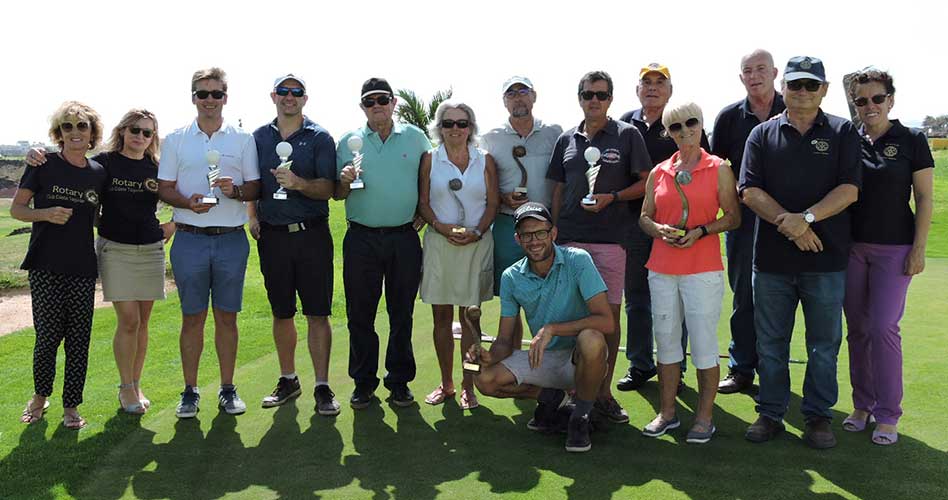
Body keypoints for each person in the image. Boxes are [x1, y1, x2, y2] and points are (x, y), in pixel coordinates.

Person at [740, 56, 861, 449]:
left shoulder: (843, 132)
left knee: (823, 345)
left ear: (824, 90)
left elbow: (849, 190)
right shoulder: (761, 134)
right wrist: (789, 224)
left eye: (812, 85)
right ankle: (771, 412)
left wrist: (804, 219)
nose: (803, 92)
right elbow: (750, 190)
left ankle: (818, 416)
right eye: (796, 85)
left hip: (825, 262)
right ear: (784, 88)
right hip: (773, 263)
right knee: (770, 343)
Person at [25, 109, 175, 415]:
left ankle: (136, 383)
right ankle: (124, 388)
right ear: (122, 131)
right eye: (134, 130)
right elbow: (74, 170)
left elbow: (179, 197)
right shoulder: (104, 164)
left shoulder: (157, 167)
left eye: (147, 132)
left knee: (143, 322)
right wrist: (36, 153)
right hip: (114, 249)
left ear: (153, 137)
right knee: (129, 320)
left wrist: (172, 226)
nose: (140, 137)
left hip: (150, 251)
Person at [547, 70, 651, 423]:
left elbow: (646, 183)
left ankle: (603, 392)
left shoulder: (627, 135)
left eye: (602, 95)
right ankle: (570, 389)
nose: (594, 100)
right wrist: (554, 231)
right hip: (570, 240)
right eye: (588, 94)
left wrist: (613, 197)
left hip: (611, 240)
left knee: (608, 317)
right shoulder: (566, 139)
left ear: (611, 99)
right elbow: (558, 190)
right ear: (579, 97)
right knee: (568, 317)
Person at [157, 67, 261, 418]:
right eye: (203, 94)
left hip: (231, 240)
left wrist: (237, 191)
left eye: (216, 94)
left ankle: (227, 389)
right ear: (193, 98)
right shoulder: (175, 139)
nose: (210, 100)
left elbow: (255, 188)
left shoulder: (243, 139)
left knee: (227, 319)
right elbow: (165, 187)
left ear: (225, 98)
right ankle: (190, 391)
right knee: (192, 318)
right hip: (189, 239)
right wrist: (187, 203)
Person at [469, 202, 613, 452]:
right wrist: (489, 356)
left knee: (591, 337)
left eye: (540, 233)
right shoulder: (511, 277)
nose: (534, 240)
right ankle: (551, 397)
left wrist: (552, 329)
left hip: (581, 359)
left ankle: (580, 417)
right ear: (517, 239)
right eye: (526, 235)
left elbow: (606, 321)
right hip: (542, 359)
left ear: (553, 233)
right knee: (483, 378)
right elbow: (504, 340)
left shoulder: (578, 260)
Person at [638, 102, 741, 443]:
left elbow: (733, 217)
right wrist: (660, 230)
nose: (684, 131)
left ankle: (704, 417)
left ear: (701, 123)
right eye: (675, 127)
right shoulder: (659, 171)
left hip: (702, 269)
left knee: (703, 345)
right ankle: (667, 414)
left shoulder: (719, 168)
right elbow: (644, 217)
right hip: (662, 268)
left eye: (690, 123)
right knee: (666, 343)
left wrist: (702, 231)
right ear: (668, 133)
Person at [842, 68, 934, 446]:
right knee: (858, 330)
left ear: (890, 100)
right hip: (853, 248)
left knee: (882, 327)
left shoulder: (911, 139)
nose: (869, 106)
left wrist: (919, 248)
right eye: (861, 100)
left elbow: (925, 197)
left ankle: (888, 413)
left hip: (895, 248)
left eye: (877, 98)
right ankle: (862, 405)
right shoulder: (850, 139)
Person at [335, 77, 432, 409]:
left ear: (394, 103)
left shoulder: (416, 138)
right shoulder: (349, 141)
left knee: (401, 312)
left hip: (404, 237)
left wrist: (423, 211)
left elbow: (428, 179)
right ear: (362, 107)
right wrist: (345, 181)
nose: (377, 106)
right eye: (370, 101)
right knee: (360, 314)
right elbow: (338, 193)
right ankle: (363, 382)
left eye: (382, 99)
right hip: (361, 237)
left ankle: (399, 381)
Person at [249, 74, 340, 415]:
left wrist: (299, 183)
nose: (289, 97)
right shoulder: (258, 137)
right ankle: (288, 379)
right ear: (273, 95)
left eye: (296, 92)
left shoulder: (319, 137)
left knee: (318, 311)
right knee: (281, 311)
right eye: (284, 91)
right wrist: (252, 214)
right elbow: (253, 182)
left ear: (305, 98)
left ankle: (322, 385)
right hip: (272, 236)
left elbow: (328, 188)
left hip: (312, 234)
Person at [13, 101, 108, 428]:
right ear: (59, 133)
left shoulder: (98, 173)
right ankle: (40, 397)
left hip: (82, 266)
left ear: (92, 132)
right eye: (68, 126)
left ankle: (71, 406)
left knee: (79, 339)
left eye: (82, 126)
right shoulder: (43, 164)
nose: (75, 132)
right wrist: (45, 214)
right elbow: (17, 210)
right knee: (48, 337)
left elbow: (102, 215)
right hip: (46, 265)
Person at [617, 63, 710, 392]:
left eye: (660, 82)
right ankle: (640, 364)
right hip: (635, 222)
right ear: (637, 89)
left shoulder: (681, 121)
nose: (652, 88)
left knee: (677, 300)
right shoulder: (624, 123)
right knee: (637, 298)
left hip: (677, 227)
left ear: (670, 90)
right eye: (646, 82)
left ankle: (677, 368)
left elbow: (703, 169)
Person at [711, 49, 786, 394]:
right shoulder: (728, 118)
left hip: (788, 222)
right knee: (744, 296)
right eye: (747, 71)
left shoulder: (796, 107)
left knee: (780, 299)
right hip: (743, 224)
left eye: (760, 69)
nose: (754, 76)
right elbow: (716, 169)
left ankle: (775, 372)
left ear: (774, 72)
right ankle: (742, 369)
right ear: (741, 77)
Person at [418, 101, 499, 410]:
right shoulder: (430, 159)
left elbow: (492, 204)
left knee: (471, 320)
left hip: (477, 243)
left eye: (461, 123)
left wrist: (476, 232)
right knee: (441, 318)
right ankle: (447, 383)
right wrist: (441, 227)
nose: (455, 129)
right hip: (440, 243)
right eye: (448, 123)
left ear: (471, 127)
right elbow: (423, 203)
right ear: (440, 128)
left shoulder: (485, 160)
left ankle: (469, 386)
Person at [480, 76, 563, 348]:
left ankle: (551, 362)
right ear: (505, 101)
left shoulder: (554, 132)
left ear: (534, 96)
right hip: (507, 225)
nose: (518, 98)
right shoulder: (490, 137)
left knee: (552, 295)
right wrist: (502, 197)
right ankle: (513, 364)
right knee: (511, 295)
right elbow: (483, 182)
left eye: (523, 91)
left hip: (545, 225)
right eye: (511, 94)